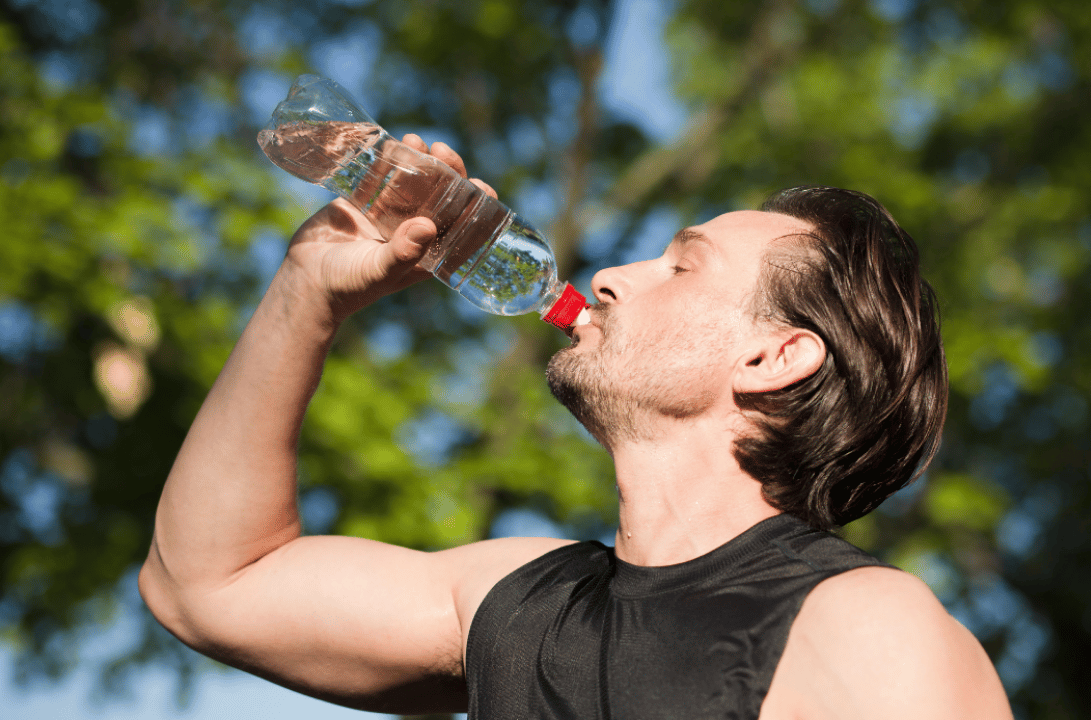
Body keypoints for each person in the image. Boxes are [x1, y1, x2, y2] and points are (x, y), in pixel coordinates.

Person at [139, 135, 1013, 718]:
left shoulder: (866, 628)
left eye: (681, 265)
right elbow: (206, 585)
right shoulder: (522, 599)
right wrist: (305, 293)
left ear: (773, 358)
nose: (608, 277)